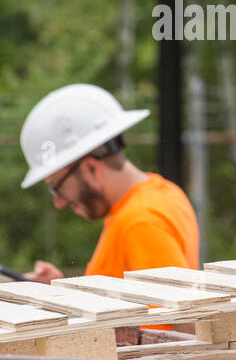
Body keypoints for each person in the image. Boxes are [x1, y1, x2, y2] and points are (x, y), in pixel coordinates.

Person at [19, 83, 199, 280]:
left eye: (56, 187)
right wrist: (59, 290)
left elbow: (172, 310)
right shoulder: (163, 192)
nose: (59, 202)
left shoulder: (142, 223)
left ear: (91, 168)